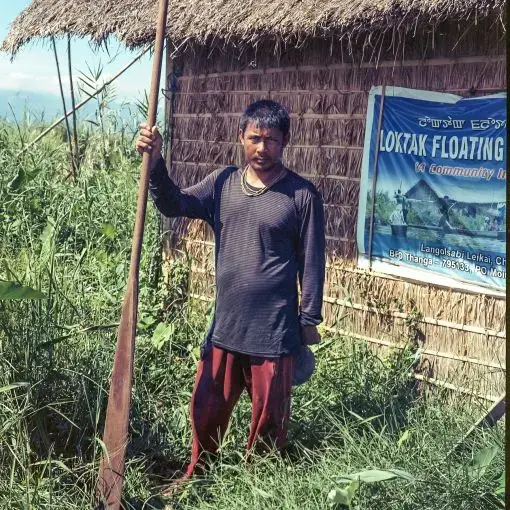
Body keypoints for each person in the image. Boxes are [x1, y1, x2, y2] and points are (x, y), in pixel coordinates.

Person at [136, 100, 326, 491]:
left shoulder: (302, 196)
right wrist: (156, 164)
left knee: (269, 419)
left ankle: (258, 487)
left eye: (271, 140)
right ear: (241, 138)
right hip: (227, 325)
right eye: (254, 138)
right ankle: (198, 475)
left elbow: (312, 261)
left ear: (285, 142)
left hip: (273, 331)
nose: (262, 148)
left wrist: (308, 320)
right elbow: (174, 203)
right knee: (206, 408)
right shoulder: (222, 184)